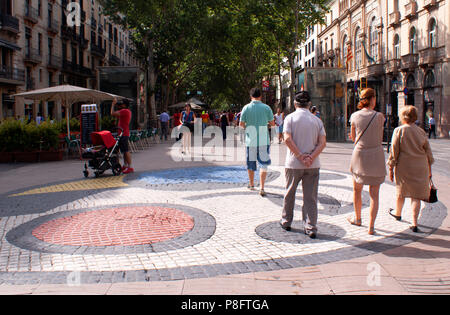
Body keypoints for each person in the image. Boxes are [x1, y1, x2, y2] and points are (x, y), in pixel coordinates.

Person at [280, 91, 327, 239]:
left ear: (295, 104)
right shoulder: (317, 121)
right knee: (311, 196)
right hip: (312, 164)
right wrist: (311, 157)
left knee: (290, 192)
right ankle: (311, 226)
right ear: (309, 105)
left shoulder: (290, 118)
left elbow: (287, 138)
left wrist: (300, 156)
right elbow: (323, 143)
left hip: (294, 163)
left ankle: (286, 220)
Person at [387, 106, 435, 233]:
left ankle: (397, 213)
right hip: (420, 167)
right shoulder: (421, 132)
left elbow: (394, 151)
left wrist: (391, 167)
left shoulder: (399, 130)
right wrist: (429, 170)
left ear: (403, 117)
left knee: (401, 192)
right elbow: (428, 153)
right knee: (416, 196)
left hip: (404, 167)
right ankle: (414, 223)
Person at [348, 88, 386, 235]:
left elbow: (352, 138)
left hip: (360, 155)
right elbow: (380, 137)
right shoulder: (379, 116)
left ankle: (357, 218)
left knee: (357, 190)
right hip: (376, 155)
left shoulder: (354, 116)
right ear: (372, 99)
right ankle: (371, 226)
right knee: (374, 194)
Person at [240, 88, 275, 197]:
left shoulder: (246, 108)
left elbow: (241, 124)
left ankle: (251, 185)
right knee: (263, 164)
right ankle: (262, 187)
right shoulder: (266, 108)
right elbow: (272, 123)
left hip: (251, 141)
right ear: (260, 96)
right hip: (264, 140)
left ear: (251, 96)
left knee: (251, 164)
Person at [111, 98, 134, 174]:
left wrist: (113, 104)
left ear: (124, 105)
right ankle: (125, 165)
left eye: (121, 104)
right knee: (124, 150)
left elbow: (112, 113)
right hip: (123, 133)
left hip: (123, 133)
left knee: (126, 150)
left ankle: (130, 167)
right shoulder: (127, 111)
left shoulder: (124, 111)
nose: (120, 105)